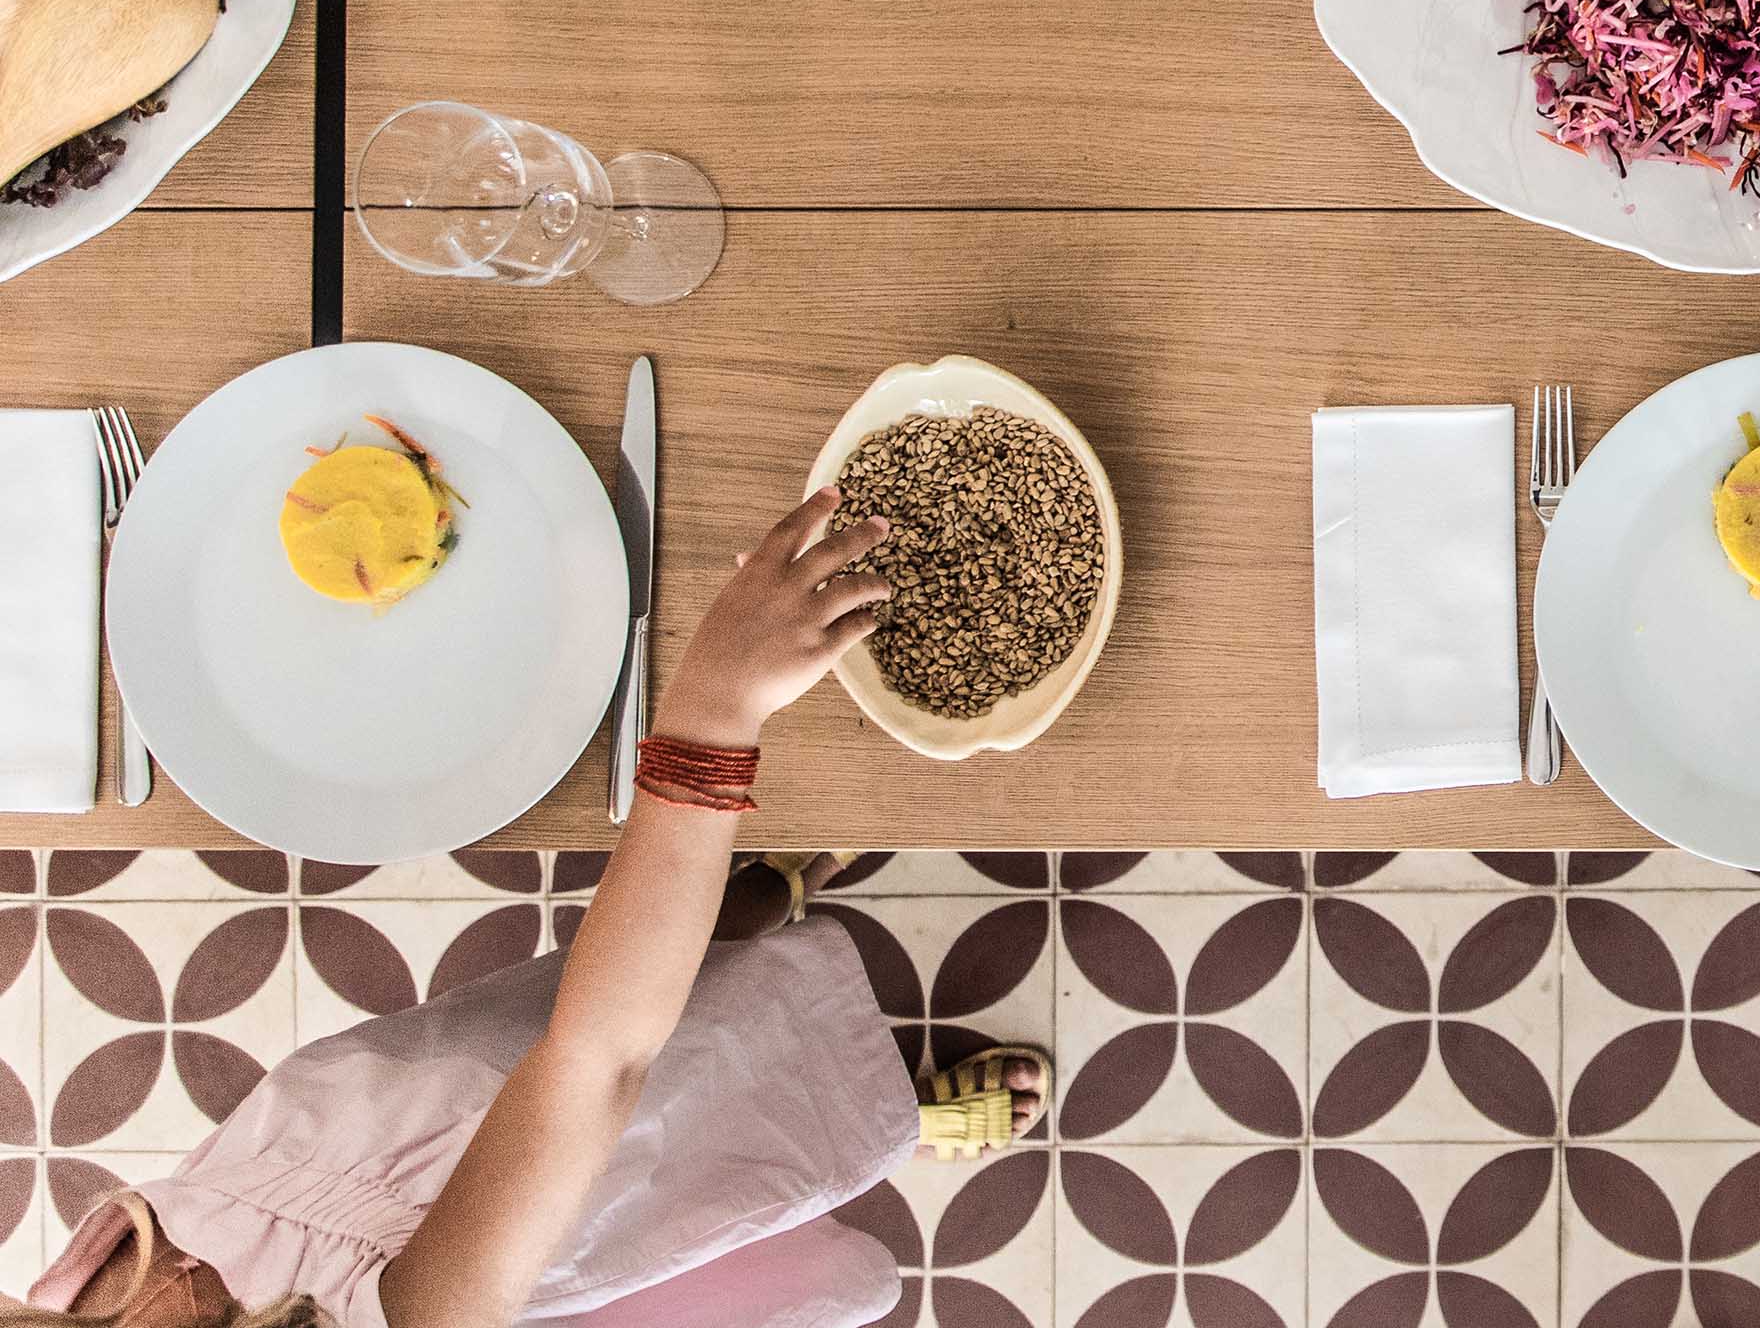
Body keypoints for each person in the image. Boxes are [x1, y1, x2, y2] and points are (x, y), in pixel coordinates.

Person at [8, 487, 1047, 1328]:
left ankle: (738, 910)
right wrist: (711, 713)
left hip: (376, 1128)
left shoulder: (64, 1299)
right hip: (550, 1223)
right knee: (692, 1136)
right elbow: (593, 1061)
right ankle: (883, 1116)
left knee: (531, 1019)